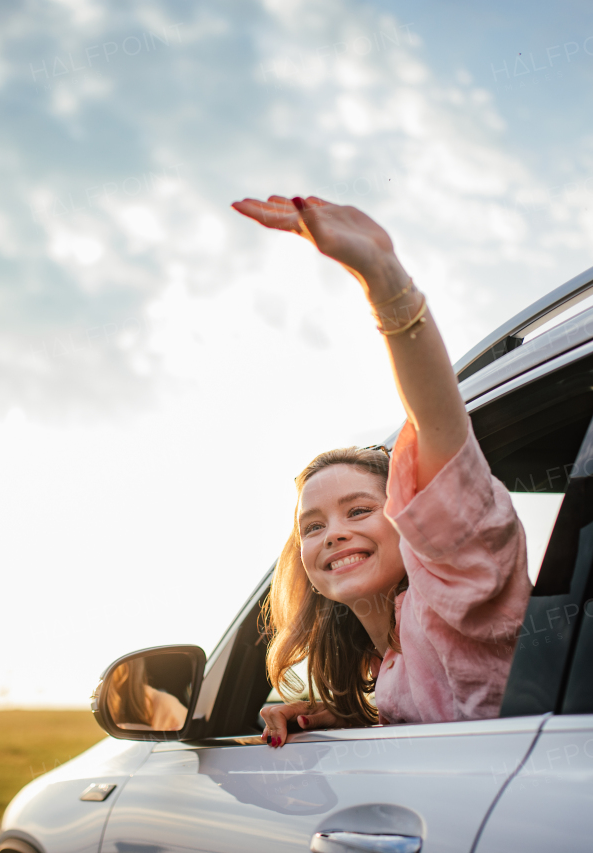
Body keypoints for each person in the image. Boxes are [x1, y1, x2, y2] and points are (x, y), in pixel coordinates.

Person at [230, 195, 532, 747]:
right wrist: (350, 717)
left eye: (361, 510)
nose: (333, 533)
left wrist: (383, 277)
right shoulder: (390, 662)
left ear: (415, 523)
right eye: (312, 526)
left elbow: (442, 428)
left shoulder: (455, 594)